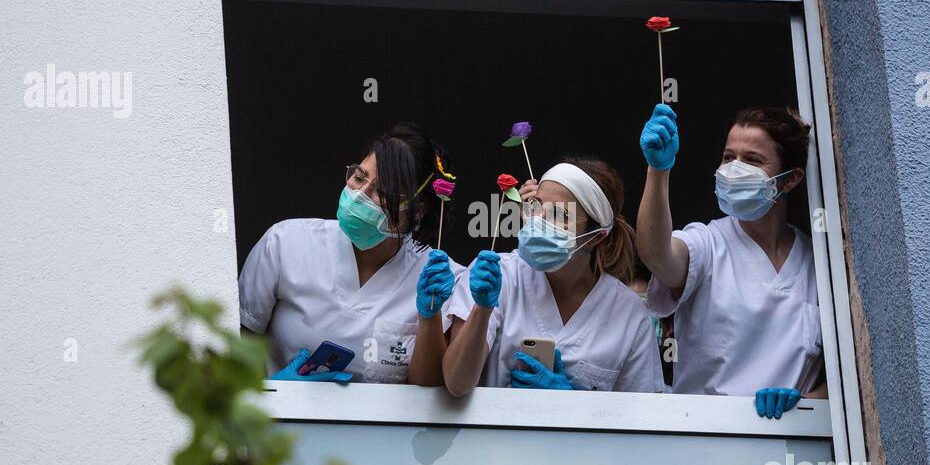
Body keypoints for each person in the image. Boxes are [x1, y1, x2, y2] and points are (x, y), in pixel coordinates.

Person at [636, 103, 826, 418]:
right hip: (708, 441)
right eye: (728, 157)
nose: (734, 168)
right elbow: (657, 255)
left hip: (793, 447)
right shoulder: (708, 243)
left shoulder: (818, 264)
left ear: (790, 179)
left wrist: (806, 401)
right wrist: (658, 170)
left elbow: (849, 373)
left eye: (752, 160)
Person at [239, 123, 463, 385]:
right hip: (279, 424)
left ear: (417, 209)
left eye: (381, 191)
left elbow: (428, 387)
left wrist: (430, 316)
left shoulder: (436, 276)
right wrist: (273, 396)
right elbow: (237, 343)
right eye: (359, 177)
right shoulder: (284, 242)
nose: (360, 194)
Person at [442, 157, 665, 395]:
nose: (540, 222)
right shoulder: (500, 276)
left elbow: (638, 418)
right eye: (536, 208)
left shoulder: (629, 314)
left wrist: (571, 407)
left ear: (597, 235)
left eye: (560, 215)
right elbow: (456, 384)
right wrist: (482, 311)